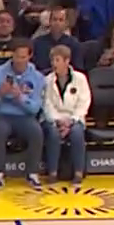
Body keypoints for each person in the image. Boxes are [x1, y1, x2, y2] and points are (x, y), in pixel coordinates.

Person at [0, 39, 46, 189]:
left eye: (23, 57)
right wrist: (0, 94)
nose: (19, 61)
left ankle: (32, 173)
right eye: (16, 56)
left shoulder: (38, 77)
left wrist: (19, 97)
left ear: (30, 56)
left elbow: (35, 108)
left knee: (36, 131)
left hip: (25, 116)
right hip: (2, 115)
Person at [41, 44, 90, 183]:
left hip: (74, 118)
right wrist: (58, 121)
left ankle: (78, 172)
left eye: (57, 60)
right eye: (52, 60)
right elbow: (47, 104)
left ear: (67, 61)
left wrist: (71, 121)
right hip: (53, 119)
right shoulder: (47, 80)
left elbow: (84, 102)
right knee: (53, 133)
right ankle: (52, 172)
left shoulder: (80, 79)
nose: (53, 64)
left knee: (77, 132)